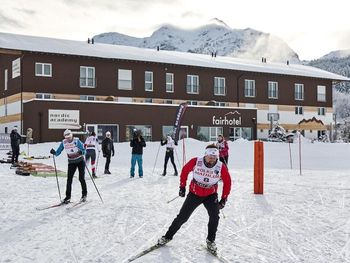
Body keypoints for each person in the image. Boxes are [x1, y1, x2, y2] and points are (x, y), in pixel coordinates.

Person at [157, 144, 232, 254]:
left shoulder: (220, 166)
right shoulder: (196, 161)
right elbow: (184, 171)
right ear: (205, 155)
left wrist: (224, 198)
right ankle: (167, 236)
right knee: (182, 217)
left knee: (214, 216)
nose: (212, 159)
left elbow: (228, 182)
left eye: (214, 157)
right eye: (210, 156)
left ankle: (210, 241)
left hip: (210, 195)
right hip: (195, 193)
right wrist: (182, 186)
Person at [50, 129, 87, 203]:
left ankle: (84, 195)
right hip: (71, 162)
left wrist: (81, 152)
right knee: (69, 180)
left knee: (81, 178)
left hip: (80, 161)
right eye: (66, 138)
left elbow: (84, 151)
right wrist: (54, 153)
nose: (68, 139)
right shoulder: (63, 142)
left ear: (71, 136)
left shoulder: (76, 141)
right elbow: (58, 152)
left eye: (69, 138)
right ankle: (68, 197)